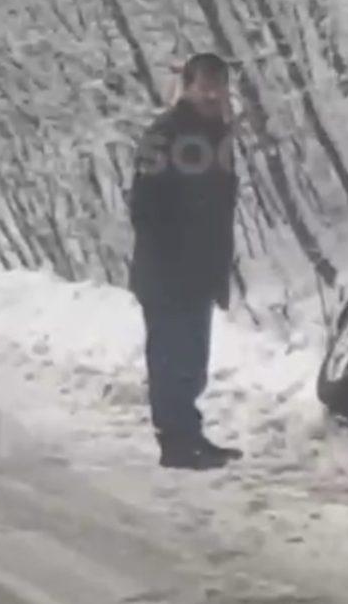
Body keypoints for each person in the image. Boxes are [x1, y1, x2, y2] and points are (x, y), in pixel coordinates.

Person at [127, 52, 243, 469]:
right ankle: (174, 443)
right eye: (204, 85)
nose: (212, 93)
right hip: (166, 269)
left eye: (219, 85)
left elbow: (221, 207)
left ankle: (190, 435)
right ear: (187, 86)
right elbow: (143, 204)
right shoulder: (164, 134)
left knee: (193, 361)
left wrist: (217, 265)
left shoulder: (220, 136)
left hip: (201, 267)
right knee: (171, 359)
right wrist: (170, 252)